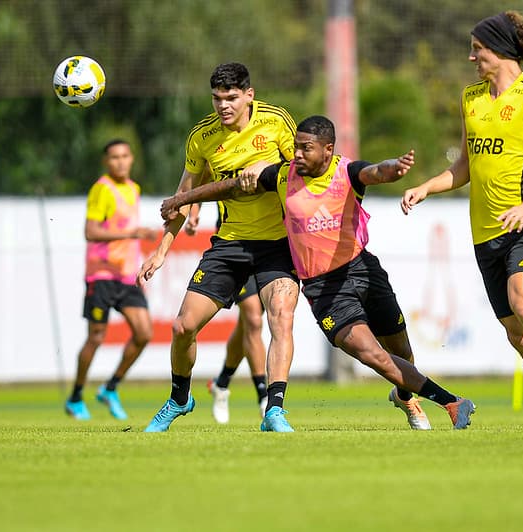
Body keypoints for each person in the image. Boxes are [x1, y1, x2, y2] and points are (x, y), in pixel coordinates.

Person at [160, 115, 476, 431]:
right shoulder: (282, 175)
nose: (296, 154)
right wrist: (183, 198)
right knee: (371, 354)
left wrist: (395, 167)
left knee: (402, 352)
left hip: (363, 270)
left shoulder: (347, 172)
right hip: (324, 289)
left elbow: (376, 171)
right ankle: (452, 403)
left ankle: (405, 397)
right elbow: (231, 188)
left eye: (305, 148)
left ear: (327, 150)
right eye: (295, 147)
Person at [400, 11, 523, 430]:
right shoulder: (470, 98)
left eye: (477, 49)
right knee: (516, 334)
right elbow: (464, 167)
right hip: (484, 235)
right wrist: (426, 188)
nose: (472, 58)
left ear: (500, 50)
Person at [138, 62, 300, 432]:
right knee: (182, 327)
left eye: (231, 98)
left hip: (278, 242)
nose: (223, 106)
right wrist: (161, 251)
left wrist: (268, 165)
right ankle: (180, 399)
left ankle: (274, 410)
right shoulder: (202, 136)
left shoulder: (277, 122)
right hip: (229, 244)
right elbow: (183, 196)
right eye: (216, 99)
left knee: (280, 319)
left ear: (249, 95)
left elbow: (304, 170)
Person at [65, 139, 157, 421]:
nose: (120, 161)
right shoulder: (101, 189)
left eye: (125, 156)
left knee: (144, 333)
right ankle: (76, 396)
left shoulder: (133, 189)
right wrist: (132, 234)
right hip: (102, 274)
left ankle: (110, 387)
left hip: (127, 275)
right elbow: (90, 232)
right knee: (96, 337)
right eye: (114, 157)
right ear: (107, 162)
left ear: (132, 159)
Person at [184, 202, 268, 423]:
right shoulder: (224, 166)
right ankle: (264, 397)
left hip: (270, 245)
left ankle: (221, 383)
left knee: (248, 326)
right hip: (235, 246)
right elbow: (200, 176)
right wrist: (193, 213)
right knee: (253, 318)